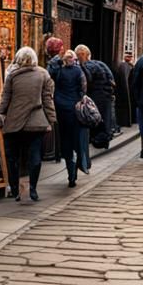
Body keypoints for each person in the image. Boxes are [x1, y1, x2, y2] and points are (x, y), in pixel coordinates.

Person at [0, 46, 56, 202]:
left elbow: (5, 98)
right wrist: (51, 120)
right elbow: (47, 99)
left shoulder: (12, 75)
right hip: (36, 122)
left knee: (12, 157)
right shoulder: (43, 74)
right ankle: (33, 189)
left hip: (14, 122)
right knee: (34, 156)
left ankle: (15, 189)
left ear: (19, 59)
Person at [52, 49, 88, 186]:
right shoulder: (78, 71)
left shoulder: (58, 71)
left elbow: (51, 76)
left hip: (61, 109)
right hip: (75, 110)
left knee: (66, 141)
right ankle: (78, 167)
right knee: (77, 140)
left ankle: (70, 173)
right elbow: (84, 88)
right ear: (73, 59)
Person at [76, 44, 115, 147]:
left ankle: (98, 139)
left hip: (95, 96)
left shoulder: (86, 66)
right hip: (106, 96)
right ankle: (105, 138)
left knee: (95, 119)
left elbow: (88, 80)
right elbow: (111, 80)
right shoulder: (101, 64)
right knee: (105, 118)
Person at [115, 51, 135, 129]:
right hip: (124, 91)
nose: (130, 58)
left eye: (130, 56)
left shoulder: (128, 66)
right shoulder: (124, 66)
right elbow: (124, 81)